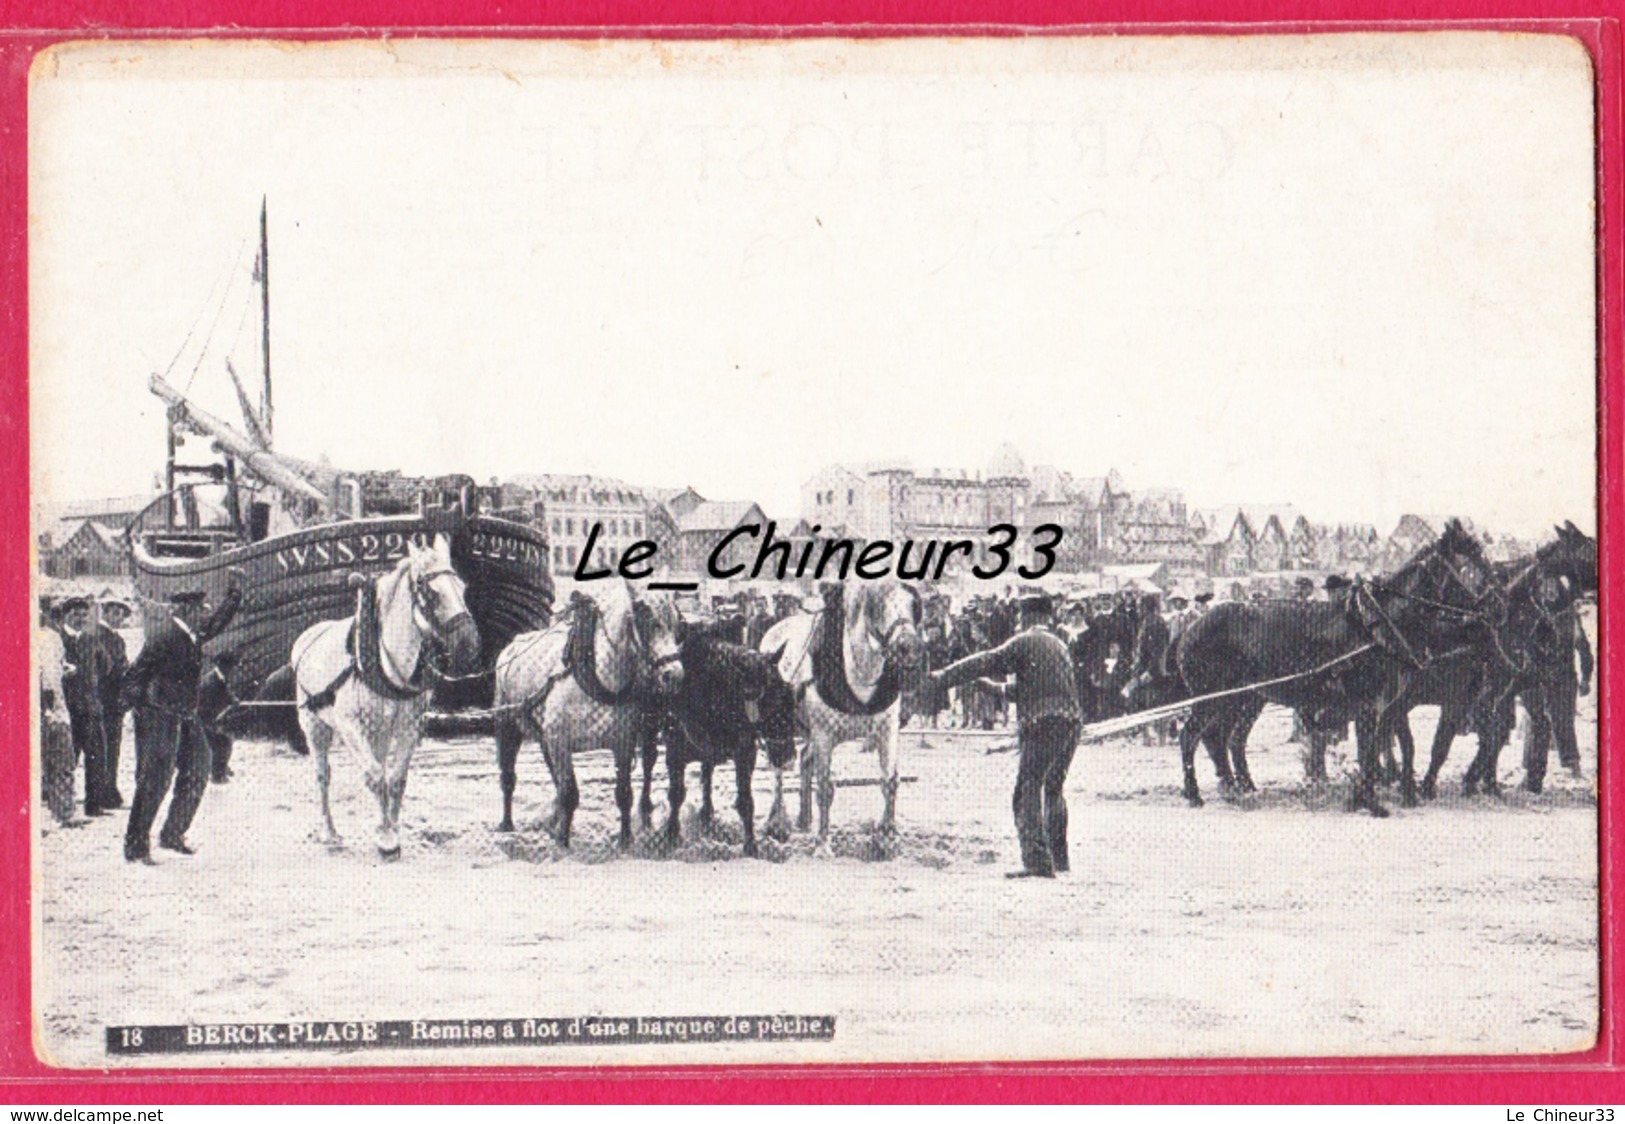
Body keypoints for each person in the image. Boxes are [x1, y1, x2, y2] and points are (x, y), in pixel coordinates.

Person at [928, 593, 1082, 879]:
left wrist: (944, 677)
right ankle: (1060, 860)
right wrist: (993, 689)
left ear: (1027, 618)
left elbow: (986, 660)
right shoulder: (1058, 644)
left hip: (1041, 723)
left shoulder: (1025, 641)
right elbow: (1031, 688)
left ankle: (1036, 862)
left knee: (1026, 788)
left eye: (1021, 617)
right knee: (1053, 788)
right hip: (1070, 723)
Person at [119, 576, 243, 864]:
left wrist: (234, 596)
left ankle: (173, 834)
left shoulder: (190, 634)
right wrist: (147, 711)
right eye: (202, 609)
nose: (205, 614)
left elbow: (214, 625)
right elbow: (133, 678)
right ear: (187, 611)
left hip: (185, 716)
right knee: (155, 780)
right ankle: (136, 847)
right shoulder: (164, 636)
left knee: (200, 768)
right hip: (161, 717)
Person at [57, 597, 112, 818]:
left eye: (83, 615)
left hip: (90, 708)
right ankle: (62, 808)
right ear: (65, 616)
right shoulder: (55, 639)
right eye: (75, 615)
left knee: (97, 757)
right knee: (66, 759)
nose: (80, 619)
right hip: (66, 708)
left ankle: (94, 805)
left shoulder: (91, 639)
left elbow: (106, 666)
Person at [37, 595, 76, 825]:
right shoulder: (50, 637)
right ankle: (63, 812)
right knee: (62, 761)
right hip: (52, 710)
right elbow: (50, 677)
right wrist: (51, 708)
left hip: (38, 708)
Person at [93, 597, 132, 808]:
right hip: (105, 700)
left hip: (114, 701)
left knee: (111, 747)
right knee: (105, 747)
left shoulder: (115, 638)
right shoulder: (98, 636)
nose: (119, 618)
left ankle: (109, 790)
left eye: (122, 615)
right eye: (116, 613)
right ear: (106, 613)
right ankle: (104, 793)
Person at [199, 652, 240, 784]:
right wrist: (212, 725)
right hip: (202, 721)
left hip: (210, 719)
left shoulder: (219, 677)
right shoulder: (211, 682)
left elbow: (225, 693)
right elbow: (204, 708)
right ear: (225, 666)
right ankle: (217, 774)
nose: (233, 671)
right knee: (223, 742)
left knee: (225, 739)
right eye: (232, 667)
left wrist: (232, 699)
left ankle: (220, 767)